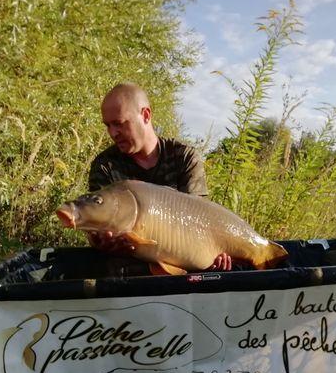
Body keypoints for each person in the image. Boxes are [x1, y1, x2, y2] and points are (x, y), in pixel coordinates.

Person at [88, 82, 232, 271]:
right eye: (108, 125)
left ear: (145, 115)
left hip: (183, 259)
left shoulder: (184, 157)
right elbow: (94, 229)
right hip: (129, 266)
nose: (112, 133)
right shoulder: (105, 165)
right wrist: (99, 241)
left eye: (119, 123)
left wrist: (216, 254)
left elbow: (199, 221)